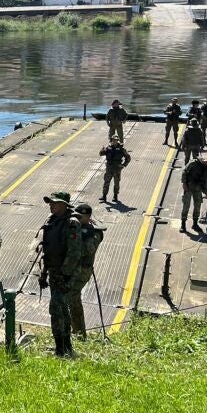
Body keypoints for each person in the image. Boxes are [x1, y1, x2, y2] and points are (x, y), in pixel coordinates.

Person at [38, 191, 83, 358]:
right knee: (61, 310)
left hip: (65, 275)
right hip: (54, 272)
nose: (51, 205)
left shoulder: (72, 223)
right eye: (50, 202)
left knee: (57, 309)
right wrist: (44, 273)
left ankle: (61, 349)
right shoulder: (52, 221)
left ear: (64, 205)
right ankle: (65, 347)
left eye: (54, 203)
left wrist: (64, 275)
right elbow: (47, 250)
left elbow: (74, 252)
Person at [68, 203, 104, 340]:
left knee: (73, 298)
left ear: (88, 217)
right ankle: (74, 330)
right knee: (69, 299)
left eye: (80, 217)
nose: (76, 218)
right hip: (71, 269)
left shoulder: (95, 233)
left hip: (82, 271)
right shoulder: (75, 227)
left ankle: (79, 334)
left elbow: (84, 250)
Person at [180, 155, 207, 234]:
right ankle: (183, 224)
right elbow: (184, 171)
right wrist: (184, 183)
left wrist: (206, 193)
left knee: (197, 206)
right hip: (188, 187)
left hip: (198, 188)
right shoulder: (194, 163)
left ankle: (195, 224)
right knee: (186, 205)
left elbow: (205, 182)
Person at [99, 135, 131, 203]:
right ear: (112, 140)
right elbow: (101, 154)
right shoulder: (108, 148)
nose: (114, 141)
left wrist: (123, 165)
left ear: (118, 140)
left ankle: (115, 196)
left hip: (117, 168)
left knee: (116, 183)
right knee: (106, 182)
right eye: (113, 140)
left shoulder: (121, 149)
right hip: (109, 168)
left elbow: (128, 157)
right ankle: (104, 196)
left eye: (116, 140)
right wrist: (102, 150)